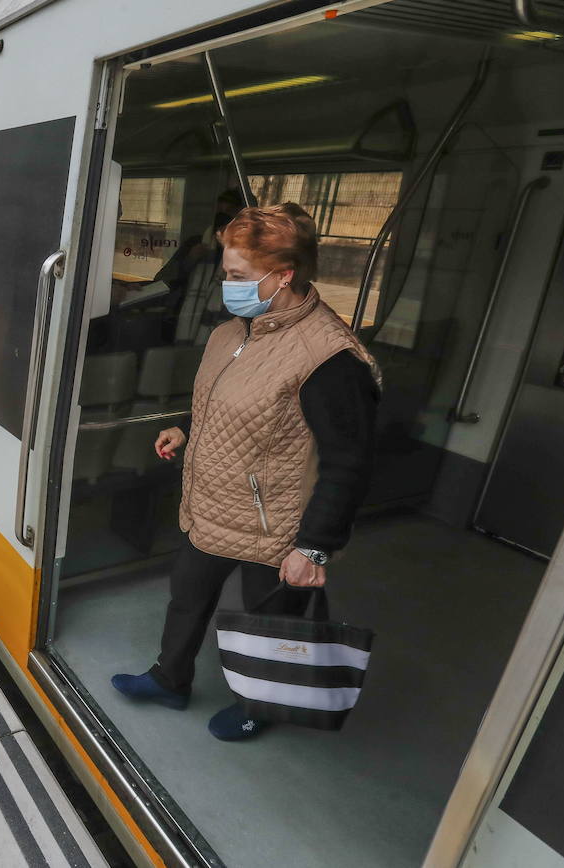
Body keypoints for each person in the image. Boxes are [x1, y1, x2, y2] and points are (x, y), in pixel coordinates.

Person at [112, 203, 380, 741]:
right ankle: (170, 679)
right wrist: (186, 429)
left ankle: (260, 703)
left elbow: (348, 461)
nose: (225, 284)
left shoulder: (330, 358)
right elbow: (224, 398)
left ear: (283, 276)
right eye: (225, 272)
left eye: (236, 275)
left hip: (278, 526)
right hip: (213, 504)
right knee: (187, 598)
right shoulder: (235, 330)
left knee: (271, 629)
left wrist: (314, 548)